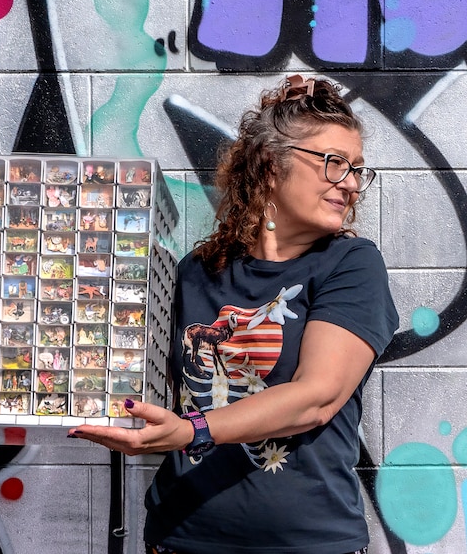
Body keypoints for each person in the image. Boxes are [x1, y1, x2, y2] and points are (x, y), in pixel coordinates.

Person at [68, 75, 399, 554]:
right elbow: (117, 384)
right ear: (269, 166)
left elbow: (316, 397)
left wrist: (194, 430)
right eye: (333, 164)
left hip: (308, 544)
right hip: (182, 538)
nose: (349, 184)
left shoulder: (351, 265)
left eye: (356, 169)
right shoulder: (194, 273)